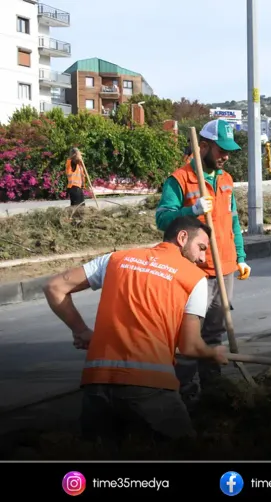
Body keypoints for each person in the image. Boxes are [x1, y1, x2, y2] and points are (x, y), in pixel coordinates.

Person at [42, 215, 229, 445]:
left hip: (97, 383)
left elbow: (54, 287)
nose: (202, 258)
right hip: (151, 386)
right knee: (185, 451)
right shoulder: (194, 278)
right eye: (201, 248)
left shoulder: (116, 259)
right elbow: (189, 347)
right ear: (182, 237)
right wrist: (214, 353)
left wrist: (81, 331)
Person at [154, 118, 251, 406]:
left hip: (226, 267)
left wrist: (241, 257)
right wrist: (191, 209)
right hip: (193, 271)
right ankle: (183, 391)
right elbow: (162, 219)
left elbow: (233, 223)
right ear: (204, 146)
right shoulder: (180, 179)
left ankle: (213, 386)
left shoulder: (226, 179)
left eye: (229, 151)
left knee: (215, 332)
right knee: (188, 334)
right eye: (221, 150)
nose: (226, 156)